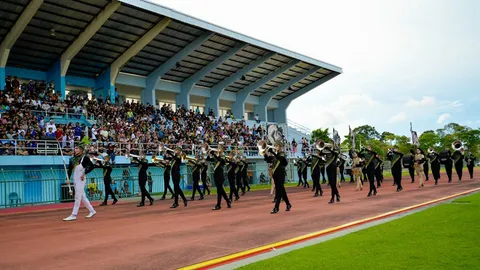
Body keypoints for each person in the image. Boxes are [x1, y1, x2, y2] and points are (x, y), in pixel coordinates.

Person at [63, 144, 96, 221]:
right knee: (82, 197)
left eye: (77, 148)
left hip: (81, 179)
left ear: (81, 150)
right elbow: (70, 170)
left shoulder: (85, 158)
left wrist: (84, 173)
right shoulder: (72, 159)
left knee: (77, 197)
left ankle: (74, 214)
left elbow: (92, 166)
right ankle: (92, 210)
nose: (75, 150)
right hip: (75, 178)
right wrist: (67, 179)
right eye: (75, 148)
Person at [264, 140, 292, 214]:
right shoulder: (274, 156)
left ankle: (276, 207)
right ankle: (288, 204)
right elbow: (267, 160)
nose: (275, 147)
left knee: (279, 191)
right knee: (281, 190)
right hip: (275, 174)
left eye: (277, 146)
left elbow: (280, 159)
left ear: (280, 147)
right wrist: (265, 153)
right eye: (275, 145)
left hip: (281, 173)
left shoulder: (282, 154)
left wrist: (272, 152)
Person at [206, 145, 231, 210]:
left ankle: (218, 205)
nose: (218, 149)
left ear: (222, 150)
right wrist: (209, 153)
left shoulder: (223, 157)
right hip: (216, 175)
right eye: (218, 148)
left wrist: (213, 154)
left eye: (220, 148)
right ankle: (228, 201)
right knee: (221, 190)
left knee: (219, 191)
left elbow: (220, 160)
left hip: (220, 175)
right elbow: (208, 159)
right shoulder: (216, 157)